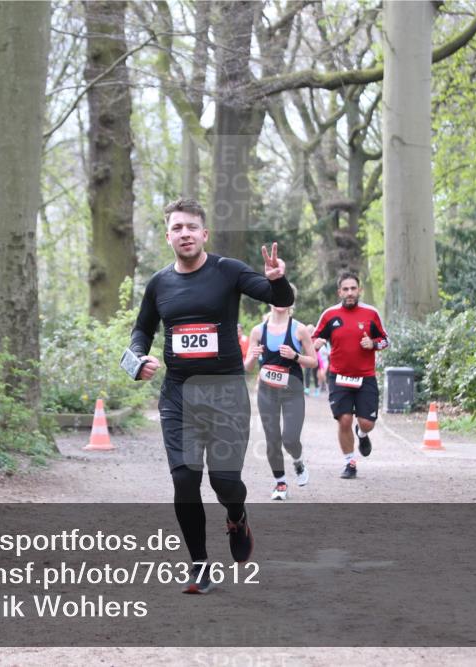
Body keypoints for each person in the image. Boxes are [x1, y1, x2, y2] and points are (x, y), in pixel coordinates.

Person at [130, 197, 295, 594]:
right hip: (179, 397)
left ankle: (236, 516)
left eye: (191, 227)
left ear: (204, 233)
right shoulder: (159, 284)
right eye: (176, 228)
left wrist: (276, 280)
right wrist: (136, 359)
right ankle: (199, 566)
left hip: (225, 396)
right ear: (168, 235)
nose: (184, 233)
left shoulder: (227, 271)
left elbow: (282, 300)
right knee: (185, 481)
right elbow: (142, 331)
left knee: (225, 484)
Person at [312, 272, 389, 480]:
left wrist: (372, 344)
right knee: (344, 419)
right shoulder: (329, 315)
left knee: (366, 423)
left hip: (365, 377)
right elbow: (316, 337)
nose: (349, 293)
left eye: (353, 289)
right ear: (339, 292)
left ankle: (362, 434)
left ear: (359, 290)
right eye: (345, 289)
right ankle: (350, 463)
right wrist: (317, 343)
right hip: (339, 377)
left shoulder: (371, 313)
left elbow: (385, 341)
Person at [243, 291, 316, 501]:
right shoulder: (258, 331)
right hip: (267, 392)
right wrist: (253, 357)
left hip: (292, 392)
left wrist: (295, 356)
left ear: (290, 301)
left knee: (290, 438)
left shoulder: (299, 329)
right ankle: (280, 483)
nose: (280, 302)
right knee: (272, 439)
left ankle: (298, 460)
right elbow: (247, 367)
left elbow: (313, 361)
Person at [301, 323, 318, 396]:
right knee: (307, 373)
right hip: (308, 359)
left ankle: (317, 388)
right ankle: (307, 388)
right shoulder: (305, 337)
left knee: (315, 373)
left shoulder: (315, 338)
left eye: (309, 330)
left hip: (317, 359)